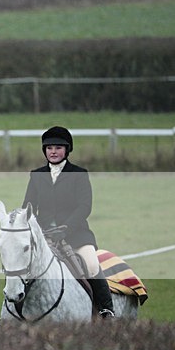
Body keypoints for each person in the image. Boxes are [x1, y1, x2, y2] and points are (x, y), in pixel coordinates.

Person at [23, 125, 115, 318]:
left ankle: (106, 308)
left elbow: (84, 206)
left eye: (58, 147)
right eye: (49, 148)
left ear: (67, 150)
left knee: (90, 264)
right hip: (44, 236)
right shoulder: (36, 175)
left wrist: (66, 228)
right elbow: (28, 206)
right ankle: (15, 309)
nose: (53, 151)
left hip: (76, 235)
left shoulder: (79, 173)